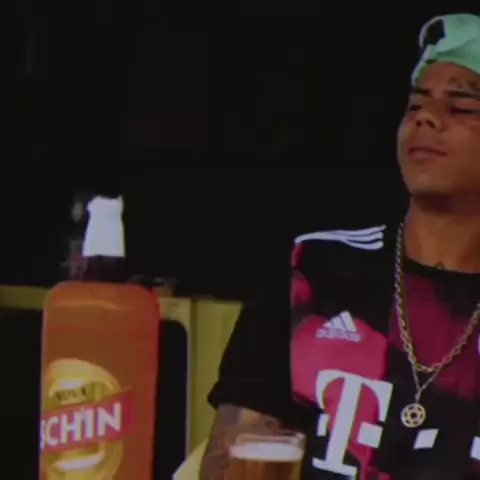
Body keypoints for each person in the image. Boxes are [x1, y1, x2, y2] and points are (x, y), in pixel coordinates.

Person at [201, 13, 480, 479]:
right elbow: (232, 459)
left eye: (463, 107)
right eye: (415, 104)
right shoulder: (311, 271)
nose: (426, 117)